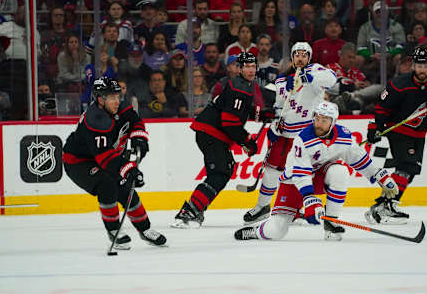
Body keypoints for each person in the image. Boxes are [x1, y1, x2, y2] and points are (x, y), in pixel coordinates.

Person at [234, 101, 400, 241]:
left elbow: (360, 160)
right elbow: (301, 174)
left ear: (333, 122)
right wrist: (310, 200)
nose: (319, 123)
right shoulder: (303, 138)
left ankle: (331, 224)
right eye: (317, 118)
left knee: (340, 172)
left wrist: (380, 176)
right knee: (277, 231)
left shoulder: (344, 136)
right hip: (294, 181)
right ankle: (256, 231)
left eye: (324, 120)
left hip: (320, 175)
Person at [62, 76, 167, 250]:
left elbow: (136, 122)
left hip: (106, 156)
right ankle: (113, 231)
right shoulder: (95, 119)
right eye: (111, 97)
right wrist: (129, 169)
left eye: (117, 96)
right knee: (107, 184)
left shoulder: (122, 107)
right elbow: (105, 158)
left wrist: (140, 138)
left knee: (126, 188)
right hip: (79, 163)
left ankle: (145, 229)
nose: (116, 101)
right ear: (100, 99)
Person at [171, 52, 271, 228]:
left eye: (253, 66)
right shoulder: (240, 87)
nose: (250, 69)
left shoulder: (244, 85)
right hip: (211, 132)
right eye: (246, 66)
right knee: (220, 172)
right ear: (239, 69)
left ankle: (195, 209)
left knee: (221, 171)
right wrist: (247, 142)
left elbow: (237, 111)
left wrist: (261, 114)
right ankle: (190, 211)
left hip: (210, 132)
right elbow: (230, 122)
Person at [365, 44, 427, 225]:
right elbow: (382, 108)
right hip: (398, 130)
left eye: (425, 66)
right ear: (413, 66)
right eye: (419, 66)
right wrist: (375, 127)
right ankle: (386, 206)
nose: (422, 70)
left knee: (410, 171)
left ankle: (383, 205)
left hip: (419, 134)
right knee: (407, 166)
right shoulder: (399, 84)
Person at [243, 42, 337, 224]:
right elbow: (276, 107)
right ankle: (262, 207)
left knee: (302, 173)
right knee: (271, 172)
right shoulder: (281, 81)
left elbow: (332, 79)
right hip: (285, 135)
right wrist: (274, 123)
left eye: (304, 55)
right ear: (292, 58)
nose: (300, 58)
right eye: (297, 55)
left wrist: (310, 77)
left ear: (309, 58)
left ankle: (297, 209)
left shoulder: (316, 71)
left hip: (306, 136)